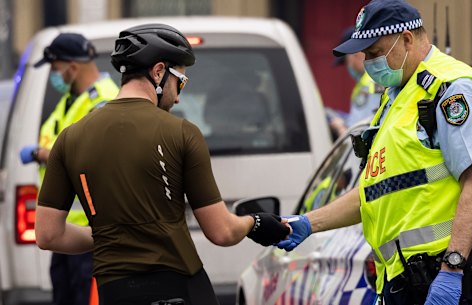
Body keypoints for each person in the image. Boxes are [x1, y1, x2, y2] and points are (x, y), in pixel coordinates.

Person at [33, 23, 290, 305]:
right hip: (180, 288)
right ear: (158, 72)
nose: (179, 96)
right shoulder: (182, 132)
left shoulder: (69, 138)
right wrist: (254, 223)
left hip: (114, 292)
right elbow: (222, 231)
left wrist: (112, 235)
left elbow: (48, 235)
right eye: (180, 81)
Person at [276, 1, 472, 305]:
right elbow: (373, 192)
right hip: (403, 280)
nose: (369, 62)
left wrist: (452, 268)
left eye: (375, 53)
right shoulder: (398, 97)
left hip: (444, 280)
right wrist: (309, 223)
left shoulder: (451, 89)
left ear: (407, 39)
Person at [19, 32, 120, 305]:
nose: (55, 76)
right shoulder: (70, 102)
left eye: (55, 69)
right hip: (64, 232)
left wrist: (41, 154)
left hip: (90, 234)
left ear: (72, 67)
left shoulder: (103, 101)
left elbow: (91, 156)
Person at [328, 26, 383, 140]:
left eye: (345, 60)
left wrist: (339, 127)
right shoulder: (373, 79)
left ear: (357, 54)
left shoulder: (370, 84)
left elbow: (359, 133)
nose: (347, 65)